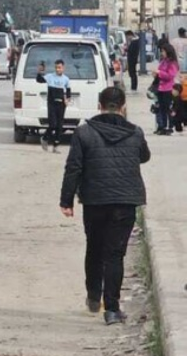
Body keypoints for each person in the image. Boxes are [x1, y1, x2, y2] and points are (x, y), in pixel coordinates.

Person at [60, 86, 149, 325]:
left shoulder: (84, 133)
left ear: (99, 105)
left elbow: (74, 167)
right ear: (123, 107)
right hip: (125, 201)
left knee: (94, 248)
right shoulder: (135, 132)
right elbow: (144, 156)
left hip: (95, 200)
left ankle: (93, 296)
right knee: (115, 254)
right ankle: (112, 310)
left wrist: (66, 201)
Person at [37, 59, 71, 153]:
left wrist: (67, 99)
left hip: (61, 104)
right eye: (56, 67)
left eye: (59, 67)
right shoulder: (50, 77)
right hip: (52, 104)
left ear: (63, 68)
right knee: (53, 125)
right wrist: (40, 72)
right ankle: (44, 138)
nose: (57, 69)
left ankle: (56, 146)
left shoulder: (66, 79)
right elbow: (39, 80)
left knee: (59, 126)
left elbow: (68, 91)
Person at [155, 44, 178, 135]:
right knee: (161, 108)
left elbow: (170, 75)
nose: (162, 53)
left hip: (168, 88)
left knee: (168, 108)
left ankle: (169, 126)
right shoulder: (163, 61)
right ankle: (162, 126)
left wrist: (160, 73)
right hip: (160, 88)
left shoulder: (172, 63)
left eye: (163, 51)